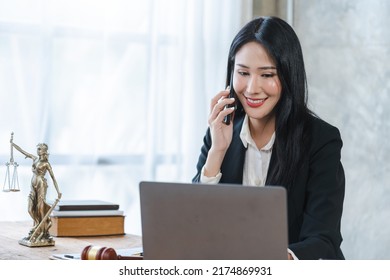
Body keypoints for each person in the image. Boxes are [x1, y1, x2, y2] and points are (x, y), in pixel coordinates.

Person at [192, 16, 345, 260]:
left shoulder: (321, 141)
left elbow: (323, 240)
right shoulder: (219, 134)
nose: (252, 88)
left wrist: (274, 261)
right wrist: (217, 152)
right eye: (243, 72)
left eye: (266, 75)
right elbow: (194, 227)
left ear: (287, 76)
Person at [11, 138, 62, 244]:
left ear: (44, 151)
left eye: (39, 149)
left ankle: (40, 231)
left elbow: (53, 177)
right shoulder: (35, 159)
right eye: (37, 149)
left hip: (41, 185)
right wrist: (13, 144)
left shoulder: (46, 164)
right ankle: (37, 226)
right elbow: (23, 151)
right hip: (33, 185)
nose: (37, 151)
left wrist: (58, 192)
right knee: (30, 208)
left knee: (40, 208)